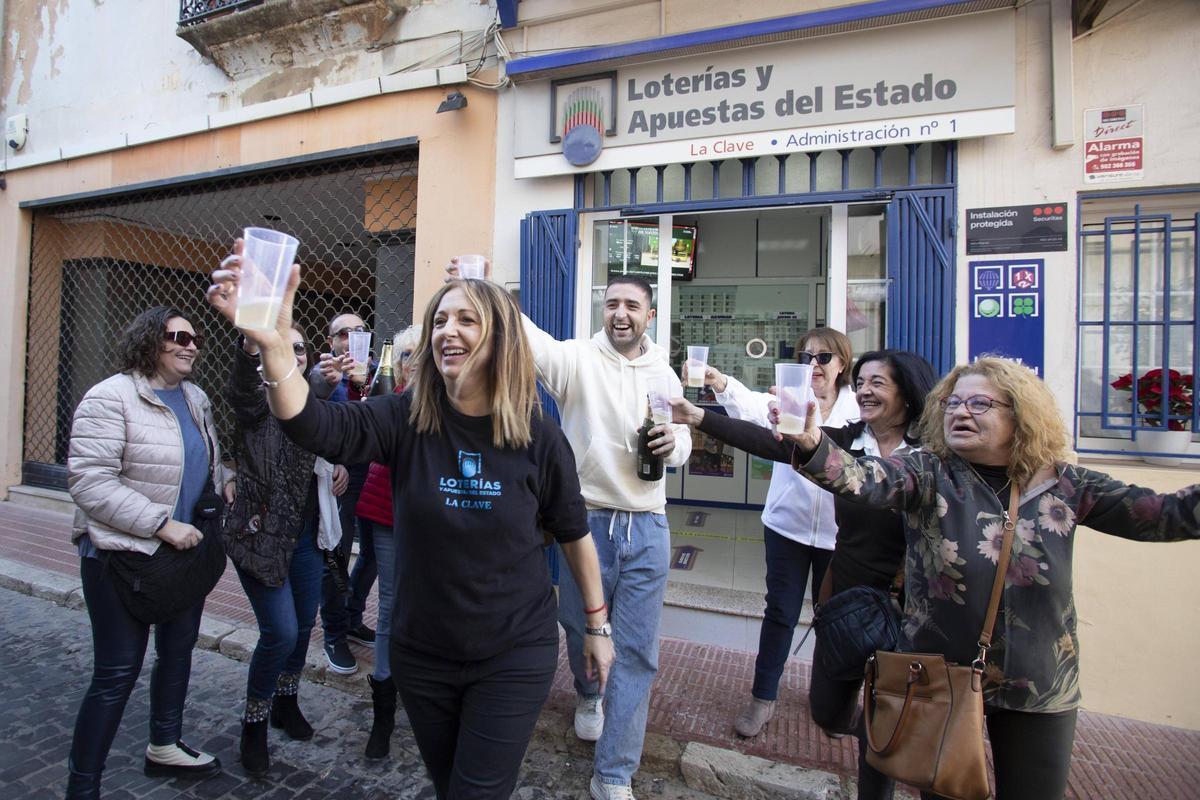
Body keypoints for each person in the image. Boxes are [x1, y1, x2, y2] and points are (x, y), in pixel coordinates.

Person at [207, 251, 614, 800]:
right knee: (449, 785)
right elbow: (314, 424)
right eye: (440, 321)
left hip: (513, 653)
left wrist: (596, 626)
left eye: (467, 320)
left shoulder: (538, 436)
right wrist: (276, 345)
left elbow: (573, 533)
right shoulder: (405, 415)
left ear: (501, 340)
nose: (449, 331)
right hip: (423, 655)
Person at [779, 356, 1200, 800]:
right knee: (944, 791)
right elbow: (861, 479)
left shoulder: (1065, 485)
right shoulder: (927, 473)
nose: (961, 412)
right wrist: (811, 444)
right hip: (939, 677)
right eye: (954, 403)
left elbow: (1165, 517)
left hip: (1038, 682)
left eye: (980, 403)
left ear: (1019, 413)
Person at [672, 349, 938, 800]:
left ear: (909, 394)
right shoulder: (846, 441)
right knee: (829, 712)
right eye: (864, 381)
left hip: (913, 609)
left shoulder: (934, 456)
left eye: (879, 382)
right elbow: (772, 443)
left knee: (891, 728)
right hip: (851, 604)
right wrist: (699, 417)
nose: (867, 389)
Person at [502, 268, 693, 800]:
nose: (620, 314)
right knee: (578, 624)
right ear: (602, 310)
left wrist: (671, 449)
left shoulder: (665, 373)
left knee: (636, 652)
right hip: (585, 523)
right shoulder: (577, 360)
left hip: (649, 526)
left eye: (631, 305)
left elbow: (682, 440)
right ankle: (588, 694)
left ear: (648, 314)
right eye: (612, 304)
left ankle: (613, 772)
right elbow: (525, 335)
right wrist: (482, 289)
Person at [65, 306, 232, 799]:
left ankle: (164, 745)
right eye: (177, 336)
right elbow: (89, 481)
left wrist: (225, 480)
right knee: (116, 673)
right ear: (148, 341)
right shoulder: (111, 396)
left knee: (177, 653)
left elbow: (197, 462)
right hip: (121, 556)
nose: (191, 345)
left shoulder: (196, 398)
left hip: (185, 555)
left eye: (195, 338)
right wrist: (160, 524)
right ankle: (83, 785)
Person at [695, 327, 859, 737]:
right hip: (786, 526)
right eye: (805, 358)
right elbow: (750, 405)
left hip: (838, 537)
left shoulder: (858, 411)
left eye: (823, 358)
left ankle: (832, 701)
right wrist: (720, 382)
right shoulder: (787, 402)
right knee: (781, 613)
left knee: (834, 620)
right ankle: (763, 697)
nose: (814, 366)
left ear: (842, 364)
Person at [222, 320, 350, 776]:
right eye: (282, 347)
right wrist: (249, 346)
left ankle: (286, 702)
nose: (292, 354)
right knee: (281, 632)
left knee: (304, 624)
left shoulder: (309, 400)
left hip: (306, 538)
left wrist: (339, 467)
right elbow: (243, 388)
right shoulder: (256, 400)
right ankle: (253, 722)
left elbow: (331, 434)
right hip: (259, 536)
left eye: (299, 349)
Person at [353, 322, 422, 759]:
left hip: (435, 524)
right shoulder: (388, 402)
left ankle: (425, 696)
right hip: (390, 517)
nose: (410, 363)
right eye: (404, 356)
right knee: (392, 607)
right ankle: (383, 713)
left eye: (419, 355)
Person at [310, 310, 376, 675]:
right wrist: (329, 459)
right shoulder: (323, 377)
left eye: (360, 331)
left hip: (376, 476)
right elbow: (310, 425)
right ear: (331, 341)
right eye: (343, 333)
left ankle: (352, 617)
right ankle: (334, 632)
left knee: (373, 556)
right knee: (336, 557)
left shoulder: (379, 371)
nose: (352, 337)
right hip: (341, 478)